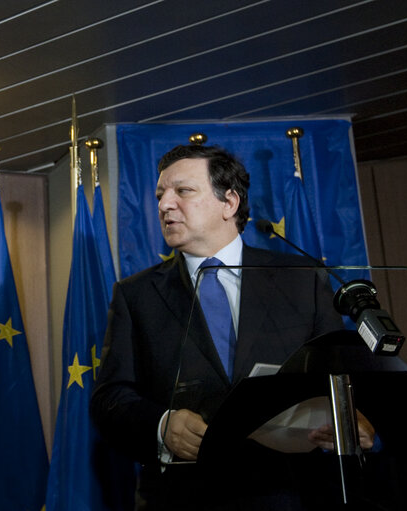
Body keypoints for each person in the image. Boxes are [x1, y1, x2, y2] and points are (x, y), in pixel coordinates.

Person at [90, 144, 372, 510]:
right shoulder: (135, 295)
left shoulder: (300, 280)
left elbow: (341, 377)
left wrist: (355, 419)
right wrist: (161, 425)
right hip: (183, 497)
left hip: (292, 493)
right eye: (160, 195)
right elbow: (109, 398)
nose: (164, 205)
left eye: (183, 191)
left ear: (230, 203)